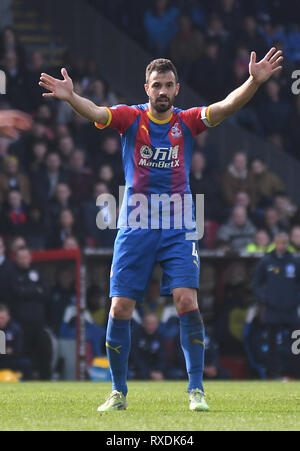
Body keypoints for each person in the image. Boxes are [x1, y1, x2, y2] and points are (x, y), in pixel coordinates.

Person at [39, 47, 283, 412]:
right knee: (120, 306)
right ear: (147, 88)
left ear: (177, 88)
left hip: (179, 223)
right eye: (157, 85)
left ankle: (196, 390)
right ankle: (118, 392)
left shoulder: (186, 121)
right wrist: (72, 96)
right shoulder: (129, 118)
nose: (163, 90)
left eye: (169, 84)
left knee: (187, 300)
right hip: (136, 222)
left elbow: (226, 106)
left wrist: (253, 81)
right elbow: (96, 111)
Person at [252, 232, 300, 379]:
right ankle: (273, 373)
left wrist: (295, 299)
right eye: (279, 243)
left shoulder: (294, 261)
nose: (281, 246)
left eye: (284, 243)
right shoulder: (266, 262)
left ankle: (296, 372)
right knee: (272, 344)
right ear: (275, 243)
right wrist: (264, 299)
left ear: (287, 244)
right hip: (272, 309)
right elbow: (256, 284)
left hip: (290, 309)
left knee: (295, 343)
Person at [0, 304, 32, 379]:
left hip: (10, 360)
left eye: (2, 318)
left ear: (8, 318)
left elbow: (17, 350)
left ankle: (27, 385)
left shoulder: (15, 329)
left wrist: (4, 351)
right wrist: (6, 350)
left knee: (26, 363)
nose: (0, 320)